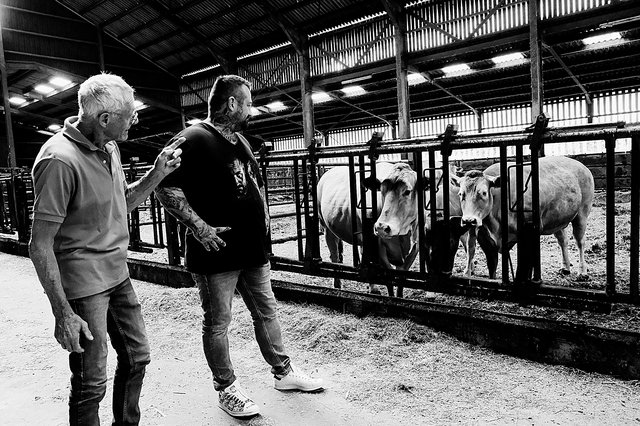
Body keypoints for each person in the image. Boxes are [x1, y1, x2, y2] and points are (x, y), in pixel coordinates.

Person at [155, 74, 324, 419]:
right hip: (216, 251)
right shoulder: (191, 139)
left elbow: (254, 183)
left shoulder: (241, 142)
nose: (252, 109)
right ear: (232, 103)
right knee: (218, 322)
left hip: (251, 249)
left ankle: (283, 373)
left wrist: (263, 225)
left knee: (267, 311)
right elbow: (164, 187)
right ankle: (226, 388)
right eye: (248, 103)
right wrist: (199, 228)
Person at [28, 73, 184, 426]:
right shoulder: (59, 161)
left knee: (137, 357)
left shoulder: (109, 147)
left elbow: (121, 203)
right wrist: (63, 313)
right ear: (104, 119)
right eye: (130, 114)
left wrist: (157, 173)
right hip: (84, 287)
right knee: (91, 381)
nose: (136, 119)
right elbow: (39, 244)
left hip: (118, 274)